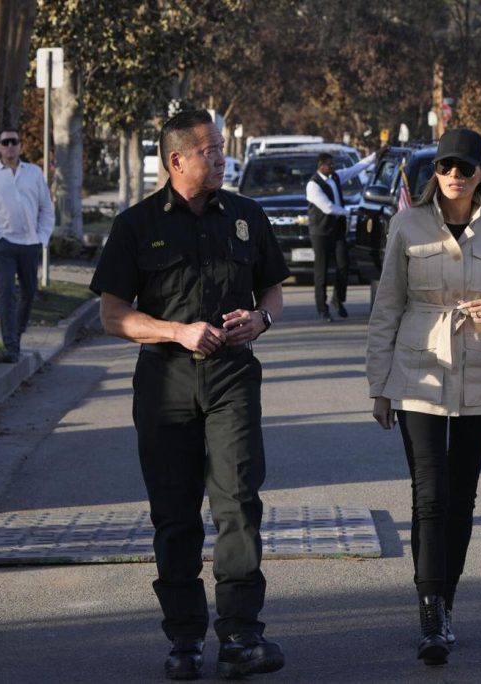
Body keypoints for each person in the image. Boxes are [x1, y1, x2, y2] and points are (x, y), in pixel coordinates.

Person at [90, 110, 290, 680]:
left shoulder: (247, 217)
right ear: (177, 160)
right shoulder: (136, 225)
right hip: (165, 382)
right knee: (174, 514)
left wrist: (261, 320)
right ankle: (184, 640)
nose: (222, 158)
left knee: (238, 506)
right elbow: (112, 314)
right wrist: (176, 330)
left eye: (223, 149)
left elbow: (272, 289)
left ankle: (241, 637)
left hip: (231, 377)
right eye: (211, 151)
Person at [366, 128, 481, 666]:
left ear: (480, 173)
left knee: (462, 494)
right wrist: (378, 385)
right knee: (429, 493)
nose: (454, 175)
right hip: (417, 368)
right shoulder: (407, 224)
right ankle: (430, 609)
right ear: (435, 172)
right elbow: (387, 304)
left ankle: (445, 600)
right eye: (445, 166)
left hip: (480, 365)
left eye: (464, 167)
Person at [0, 127, 54, 364]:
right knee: (7, 293)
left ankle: (16, 334)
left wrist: (42, 238)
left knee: (29, 293)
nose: (10, 146)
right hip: (4, 245)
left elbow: (46, 209)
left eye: (14, 142)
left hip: (30, 244)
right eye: (5, 142)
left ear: (20, 146)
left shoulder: (34, 173)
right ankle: (11, 346)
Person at [306, 150, 375, 321]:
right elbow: (328, 207)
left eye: (333, 164)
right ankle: (322, 308)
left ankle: (338, 299)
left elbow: (356, 168)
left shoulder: (335, 177)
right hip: (321, 232)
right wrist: (350, 212)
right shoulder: (313, 185)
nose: (333, 167)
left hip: (337, 230)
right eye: (330, 164)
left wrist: (375, 156)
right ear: (321, 167)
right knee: (321, 270)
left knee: (343, 265)